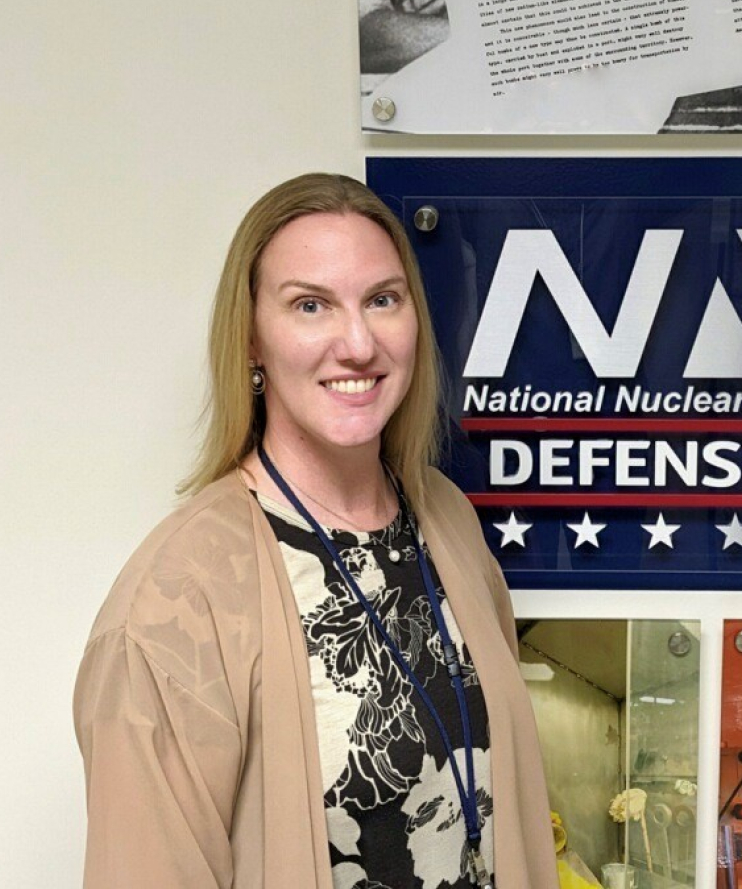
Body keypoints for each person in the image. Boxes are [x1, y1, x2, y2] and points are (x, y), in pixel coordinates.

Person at [74, 173, 557, 888]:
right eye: (310, 305)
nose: (357, 343)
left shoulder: (447, 519)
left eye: (383, 300)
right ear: (252, 342)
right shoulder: (175, 605)